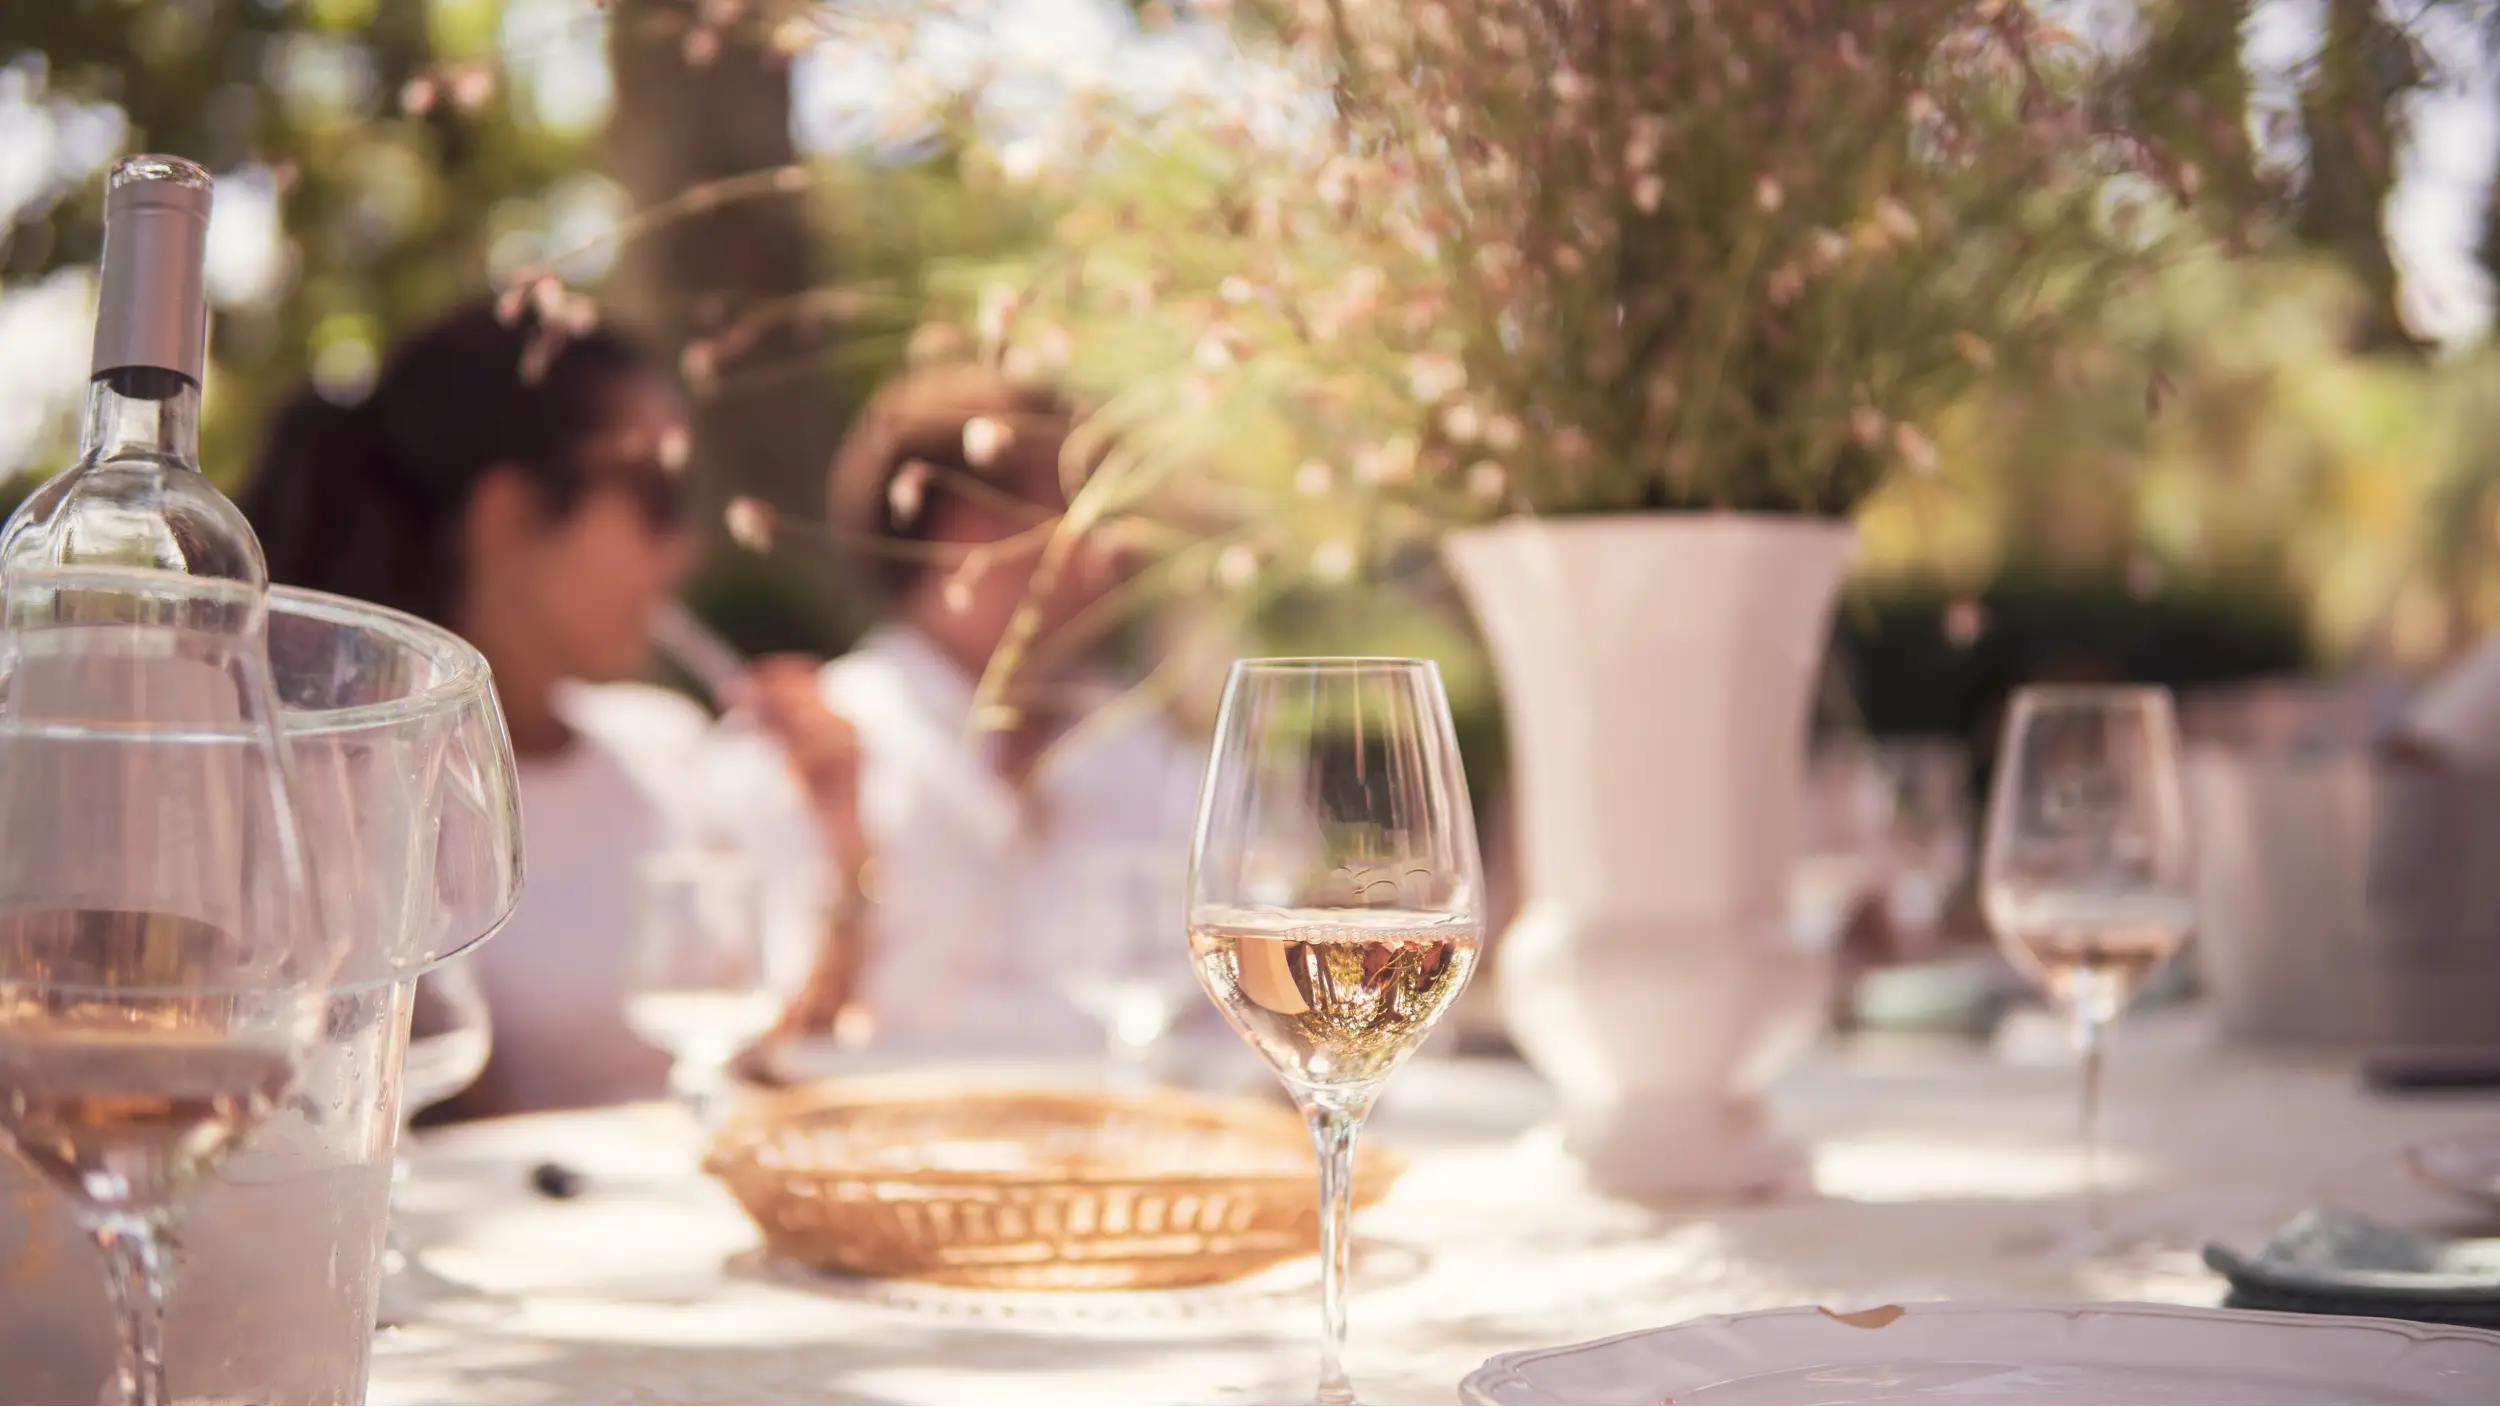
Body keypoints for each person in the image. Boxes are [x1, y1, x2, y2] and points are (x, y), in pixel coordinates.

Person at [242, 299, 855, 1114]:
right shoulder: (349, 790)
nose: (685, 545)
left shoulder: (660, 744)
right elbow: (422, 1114)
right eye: (656, 493)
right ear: (512, 514)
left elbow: (763, 1075)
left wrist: (843, 840)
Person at [745, 363, 1205, 1057]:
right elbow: (758, 1038)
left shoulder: (1146, 747)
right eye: (1080, 509)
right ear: (968, 526)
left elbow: (1215, 1017)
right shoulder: (803, 747)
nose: (1114, 553)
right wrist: (847, 856)